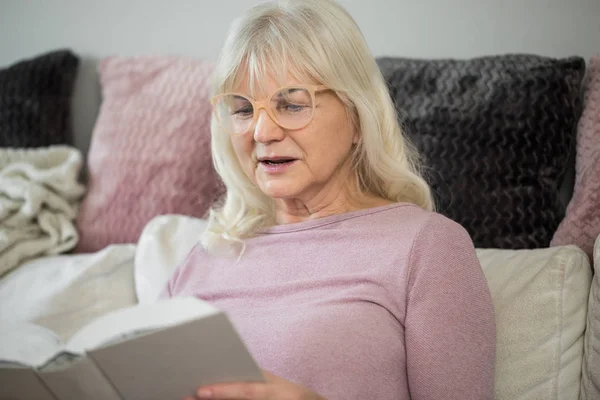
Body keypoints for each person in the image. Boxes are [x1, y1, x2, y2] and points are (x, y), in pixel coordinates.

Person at [164, 0, 496, 399]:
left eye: (291, 104)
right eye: (242, 109)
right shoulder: (203, 256)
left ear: (358, 116)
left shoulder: (428, 247)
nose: (262, 131)